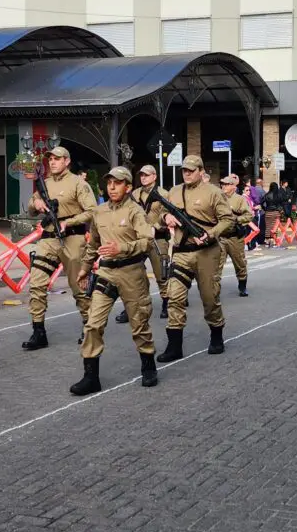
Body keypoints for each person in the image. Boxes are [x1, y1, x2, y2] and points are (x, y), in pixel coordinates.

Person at [71, 167, 158, 395]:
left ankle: (148, 365)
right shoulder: (99, 212)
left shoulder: (135, 212)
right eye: (109, 182)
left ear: (127, 187)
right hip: (106, 273)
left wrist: (123, 247)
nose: (111, 187)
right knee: (93, 323)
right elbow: (93, 245)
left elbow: (147, 241)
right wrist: (84, 269)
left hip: (132, 273)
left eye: (117, 183)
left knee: (139, 324)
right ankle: (91, 377)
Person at [157, 154, 235, 362]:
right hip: (181, 251)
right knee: (175, 297)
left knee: (209, 298)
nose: (187, 174)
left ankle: (216, 335)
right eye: (184, 170)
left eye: (191, 170)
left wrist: (211, 233)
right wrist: (167, 218)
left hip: (207, 252)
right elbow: (160, 215)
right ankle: (174, 346)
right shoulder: (174, 192)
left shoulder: (214, 193)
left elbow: (228, 219)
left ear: (201, 171)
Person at [22, 146, 98, 351]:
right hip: (48, 238)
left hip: (73, 237)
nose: (52, 162)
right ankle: (38, 331)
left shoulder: (78, 184)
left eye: (57, 159)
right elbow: (30, 207)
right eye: (51, 159)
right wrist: (36, 202)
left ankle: (89, 327)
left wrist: (70, 222)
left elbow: (92, 211)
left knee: (78, 287)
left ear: (67, 161)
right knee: (36, 283)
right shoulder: (44, 184)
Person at [118, 164, 169, 322]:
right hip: (139, 239)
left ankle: (167, 303)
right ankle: (131, 307)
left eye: (147, 175)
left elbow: (168, 214)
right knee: (132, 274)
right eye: (141, 175)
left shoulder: (163, 194)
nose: (143, 177)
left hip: (157, 239)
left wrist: (157, 227)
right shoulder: (134, 194)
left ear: (154, 176)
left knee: (161, 274)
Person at [218, 174, 254, 296]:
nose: (223, 186)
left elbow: (249, 215)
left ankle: (242, 286)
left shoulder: (240, 199)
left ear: (233, 186)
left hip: (235, 237)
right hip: (220, 237)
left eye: (226, 184)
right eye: (222, 184)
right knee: (216, 265)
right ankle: (214, 289)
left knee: (240, 263)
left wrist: (237, 220)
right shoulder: (218, 198)